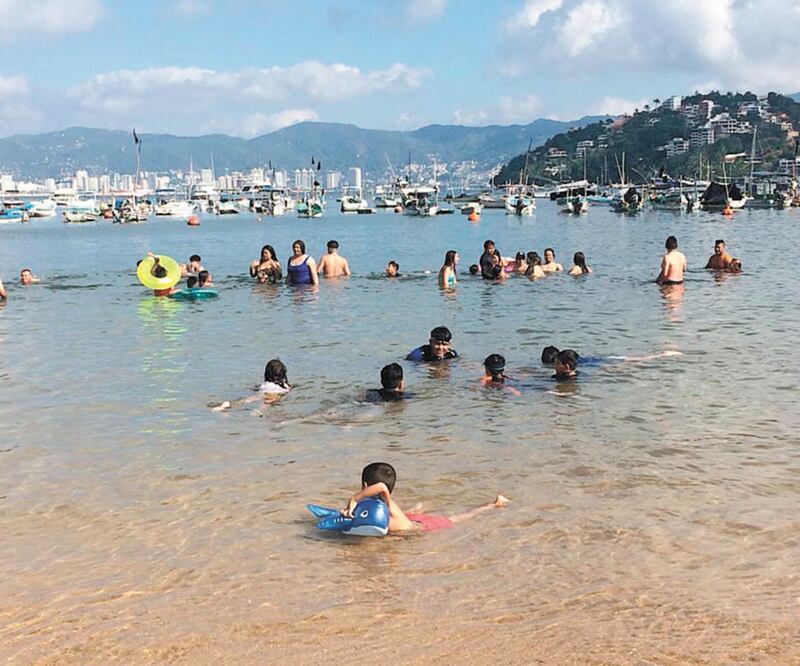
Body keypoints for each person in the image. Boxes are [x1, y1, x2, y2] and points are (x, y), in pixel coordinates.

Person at [341, 462, 509, 534]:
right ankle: (416, 510)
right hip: (405, 523)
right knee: (404, 516)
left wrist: (354, 499)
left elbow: (382, 487)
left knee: (458, 518)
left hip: (419, 529)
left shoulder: (385, 501)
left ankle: (494, 504)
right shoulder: (374, 506)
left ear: (364, 486)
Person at [212, 358, 291, 411]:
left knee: (246, 400)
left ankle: (226, 405)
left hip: (263, 390)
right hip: (274, 393)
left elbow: (257, 388)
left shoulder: (264, 385)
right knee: (266, 404)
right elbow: (287, 391)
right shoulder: (284, 385)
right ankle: (259, 411)